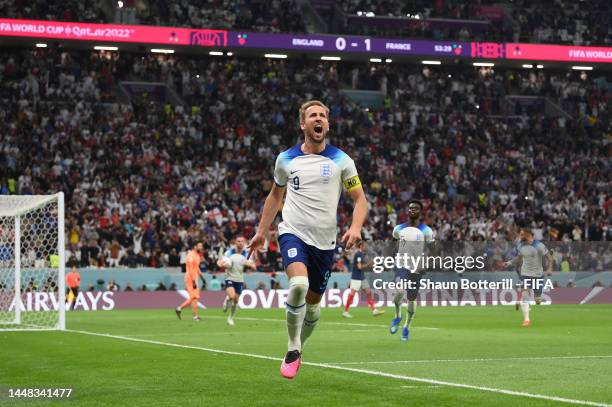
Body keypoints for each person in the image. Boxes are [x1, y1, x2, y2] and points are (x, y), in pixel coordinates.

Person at [248, 100, 368, 379]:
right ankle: (292, 347)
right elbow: (275, 196)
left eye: (323, 116)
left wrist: (356, 226)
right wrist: (262, 231)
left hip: (325, 243)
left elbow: (360, 199)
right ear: (303, 124)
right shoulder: (286, 159)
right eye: (313, 115)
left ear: (327, 123)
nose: (319, 119)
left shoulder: (342, 160)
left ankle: (300, 345)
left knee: (313, 308)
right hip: (293, 232)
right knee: (299, 285)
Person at [389, 200, 434, 342]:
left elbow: (432, 250)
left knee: (411, 298)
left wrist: (425, 263)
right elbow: (394, 243)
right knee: (399, 292)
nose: (412, 210)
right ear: (407, 211)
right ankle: (397, 316)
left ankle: (407, 326)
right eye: (410, 208)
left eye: (415, 208)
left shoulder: (426, 230)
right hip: (401, 265)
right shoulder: (398, 229)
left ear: (420, 212)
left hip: (416, 268)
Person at [505, 228, 553, 327]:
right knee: (525, 294)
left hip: (538, 275)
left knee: (538, 300)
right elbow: (519, 257)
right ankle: (527, 319)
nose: (520, 236)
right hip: (526, 273)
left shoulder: (539, 245)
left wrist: (549, 269)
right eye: (520, 234)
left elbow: (549, 257)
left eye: (522, 234)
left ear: (529, 235)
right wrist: (509, 262)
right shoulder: (520, 245)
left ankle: (524, 300)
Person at [218, 236, 256, 326]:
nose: (240, 243)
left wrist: (250, 265)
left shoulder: (246, 253)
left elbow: (253, 265)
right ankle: (228, 298)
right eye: (238, 241)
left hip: (239, 279)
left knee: (236, 301)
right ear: (235, 242)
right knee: (232, 296)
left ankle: (230, 318)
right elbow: (221, 262)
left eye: (242, 241)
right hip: (229, 277)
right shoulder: (229, 252)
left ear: (244, 243)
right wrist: (222, 264)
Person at [342, 241, 384, 318]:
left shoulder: (362, 254)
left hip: (362, 277)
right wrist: (369, 264)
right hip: (356, 277)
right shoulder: (358, 254)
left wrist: (370, 266)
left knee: (368, 292)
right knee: (352, 294)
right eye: (365, 245)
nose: (366, 247)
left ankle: (374, 310)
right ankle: (345, 311)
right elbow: (359, 267)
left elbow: (362, 267)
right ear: (360, 246)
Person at [175, 242, 204, 321]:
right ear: (195, 247)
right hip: (190, 279)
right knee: (194, 297)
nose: (201, 247)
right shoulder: (190, 256)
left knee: (194, 298)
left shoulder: (197, 256)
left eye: (202, 246)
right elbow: (191, 270)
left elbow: (197, 268)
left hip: (195, 278)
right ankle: (193, 316)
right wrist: (194, 281)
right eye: (200, 246)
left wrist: (202, 278)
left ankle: (180, 309)